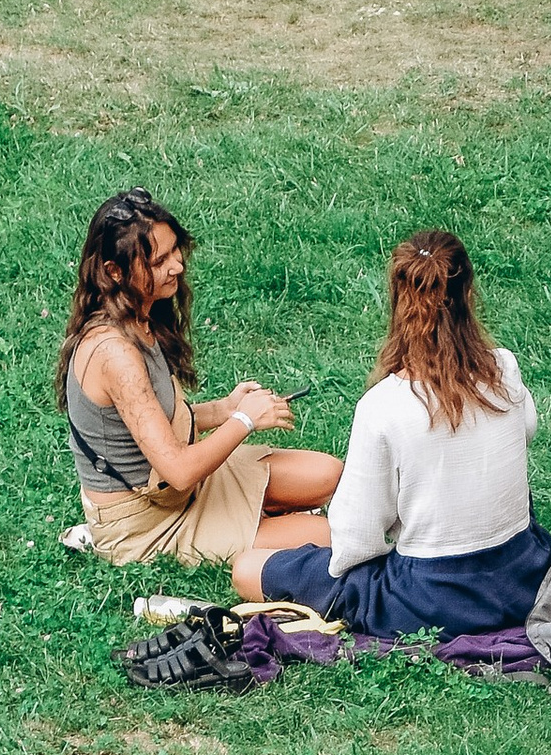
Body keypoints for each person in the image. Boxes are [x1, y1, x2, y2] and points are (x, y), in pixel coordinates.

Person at [242, 229, 551, 636]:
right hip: (524, 577)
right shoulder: (504, 369)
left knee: (248, 567)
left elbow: (357, 544)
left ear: (397, 301)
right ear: (468, 294)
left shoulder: (384, 406)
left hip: (430, 598)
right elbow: (524, 431)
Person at [58, 192, 342, 571]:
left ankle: (259, 519)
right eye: (159, 261)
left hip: (180, 490)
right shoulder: (114, 354)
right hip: (149, 519)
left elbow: (154, 423)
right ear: (114, 271)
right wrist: (244, 421)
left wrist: (225, 409)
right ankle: (254, 525)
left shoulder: (138, 313)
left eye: (175, 251)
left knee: (330, 474)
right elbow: (178, 469)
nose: (176, 265)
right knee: (328, 535)